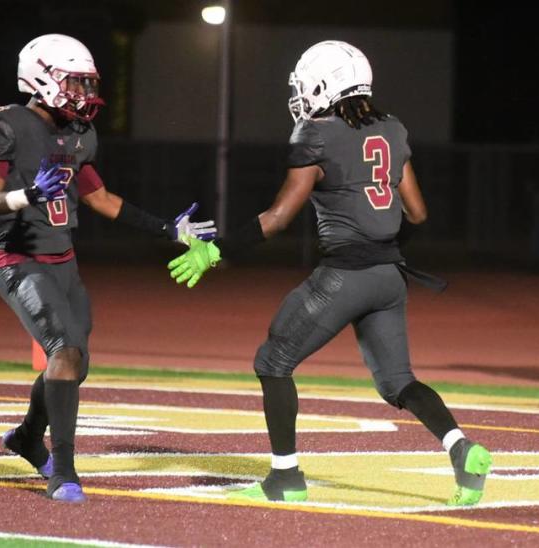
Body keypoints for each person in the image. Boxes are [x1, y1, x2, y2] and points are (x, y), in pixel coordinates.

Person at [167, 40, 491, 506]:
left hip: (344, 276)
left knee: (272, 362)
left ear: (323, 85)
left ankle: (284, 478)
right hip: (390, 277)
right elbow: (417, 213)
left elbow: (277, 218)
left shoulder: (315, 135)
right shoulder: (393, 129)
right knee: (398, 382)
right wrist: (383, 248)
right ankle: (462, 450)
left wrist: (214, 251)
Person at [0, 34, 215, 502]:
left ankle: (25, 436)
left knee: (75, 364)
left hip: (64, 261)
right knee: (64, 352)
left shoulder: (76, 135)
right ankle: (62, 470)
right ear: (41, 77)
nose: (83, 94)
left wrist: (170, 229)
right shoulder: (2, 125)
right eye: (74, 83)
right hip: (19, 258)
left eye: (86, 84)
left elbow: (99, 198)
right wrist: (29, 196)